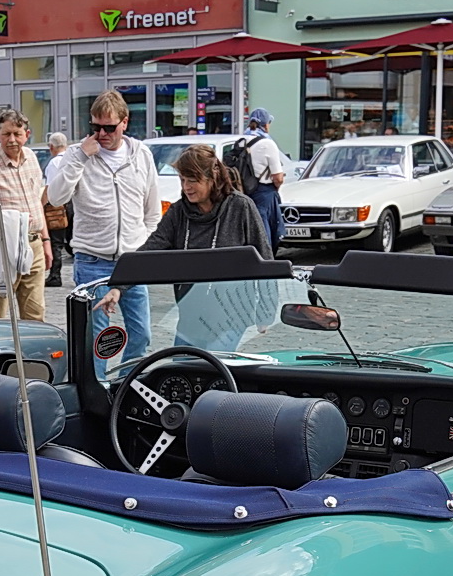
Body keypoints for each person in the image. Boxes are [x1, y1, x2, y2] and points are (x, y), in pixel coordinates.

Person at [46, 90, 161, 374]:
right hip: (92, 261)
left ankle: (124, 387)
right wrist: (81, 158)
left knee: (142, 334)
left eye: (109, 127)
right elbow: (56, 197)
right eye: (95, 127)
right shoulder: (77, 154)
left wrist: (141, 248)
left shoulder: (141, 154)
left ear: (124, 122)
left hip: (132, 263)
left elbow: (152, 211)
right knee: (98, 340)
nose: (101, 134)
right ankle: (97, 395)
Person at [95, 144, 271, 319]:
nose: (186, 187)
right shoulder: (178, 212)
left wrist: (266, 312)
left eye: (193, 180)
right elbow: (150, 250)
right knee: (182, 348)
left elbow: (265, 257)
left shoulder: (240, 206)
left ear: (212, 178)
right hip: (190, 314)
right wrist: (118, 288)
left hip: (231, 314)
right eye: (182, 180)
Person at [0, 109, 52, 322]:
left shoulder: (31, 158)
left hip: (34, 247)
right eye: (6, 134)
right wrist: (12, 224)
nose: (12, 140)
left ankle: (31, 355)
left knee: (35, 314)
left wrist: (46, 241)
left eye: (17, 133)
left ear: (27, 134)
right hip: (3, 247)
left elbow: (36, 203)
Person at [239, 107, 286, 248]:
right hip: (264, 191)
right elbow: (278, 177)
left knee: (248, 226)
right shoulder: (267, 143)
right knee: (266, 229)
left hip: (243, 190)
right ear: (266, 125)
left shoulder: (240, 140)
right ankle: (266, 259)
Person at [44, 131, 71, 287]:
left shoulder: (54, 163)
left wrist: (40, 205)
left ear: (51, 147)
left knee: (56, 243)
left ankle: (55, 275)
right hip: (74, 205)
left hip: (59, 207)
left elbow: (50, 189)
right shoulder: (71, 160)